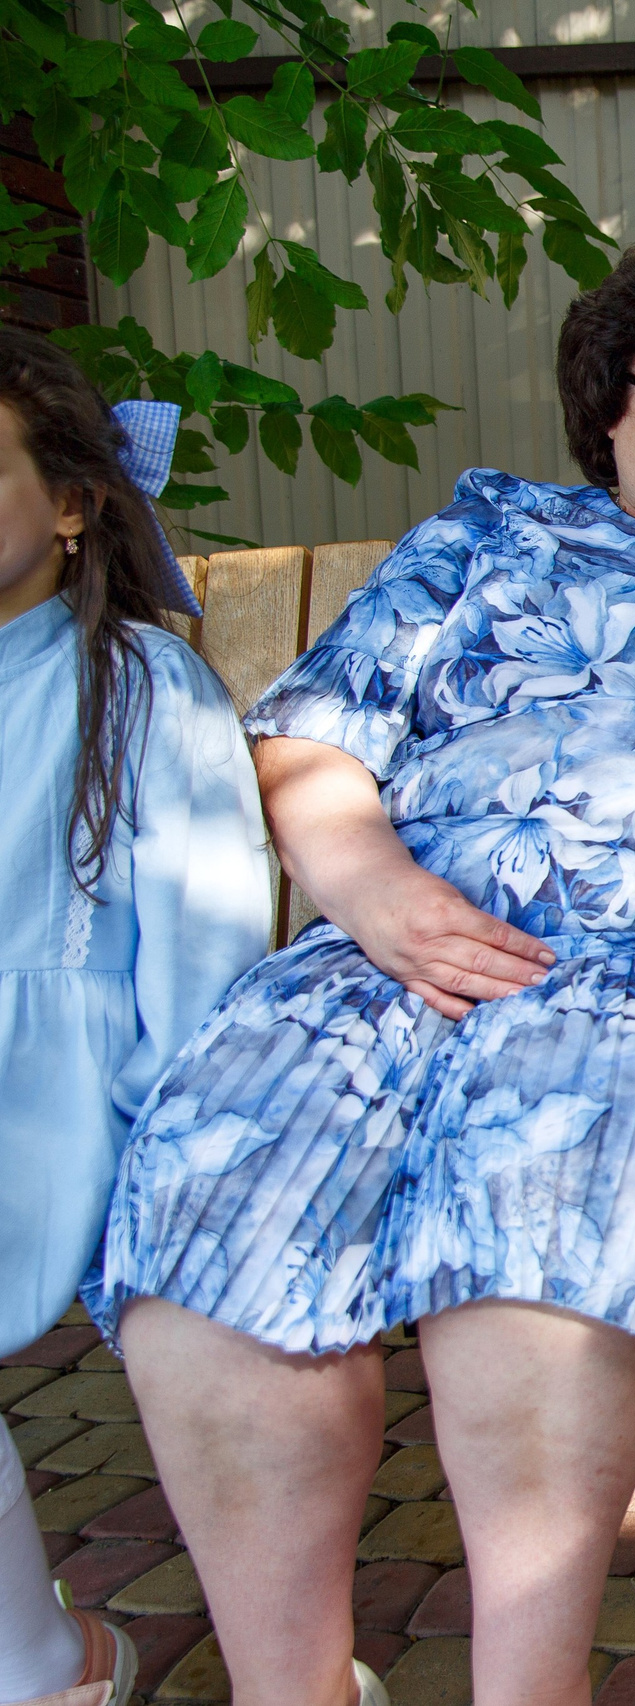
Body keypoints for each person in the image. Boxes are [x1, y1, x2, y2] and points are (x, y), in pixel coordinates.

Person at [90, 231, 635, 1706]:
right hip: (396, 952)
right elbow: (314, 735)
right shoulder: (484, 540)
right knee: (213, 1198)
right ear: (609, 407)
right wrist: (372, 889)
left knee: (549, 1203)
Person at [0, 335, 270, 1706]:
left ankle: (37, 1660)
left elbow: (210, 943)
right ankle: (39, 1655)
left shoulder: (139, 686)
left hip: (64, 1097)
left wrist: (185, 1130)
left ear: (69, 503)